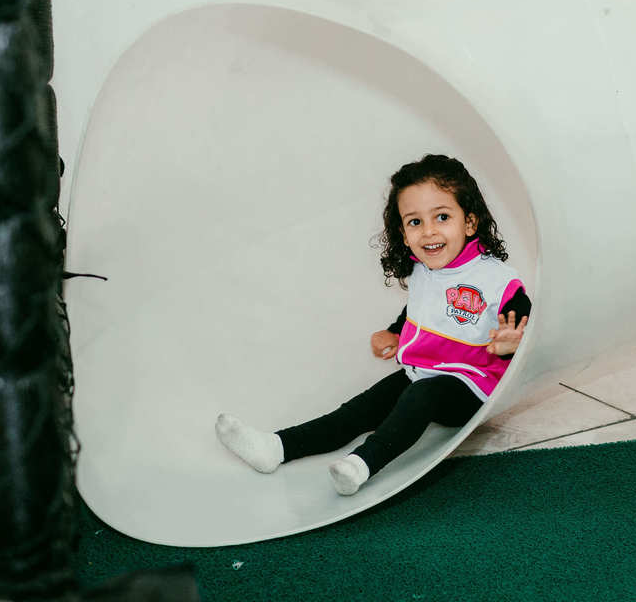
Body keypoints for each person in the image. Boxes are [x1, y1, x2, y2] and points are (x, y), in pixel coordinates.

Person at [215, 154, 531, 495]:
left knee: (423, 396)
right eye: (414, 222)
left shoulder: (495, 279)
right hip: (423, 374)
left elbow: (529, 325)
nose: (429, 232)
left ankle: (363, 463)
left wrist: (515, 343)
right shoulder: (424, 269)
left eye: (442, 217)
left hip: (468, 389)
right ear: (402, 232)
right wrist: (395, 332)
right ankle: (277, 447)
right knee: (360, 409)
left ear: (469, 223)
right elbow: (421, 309)